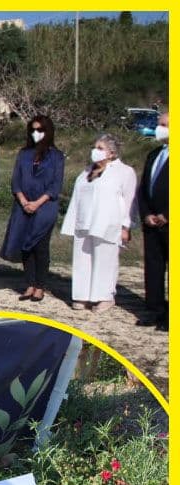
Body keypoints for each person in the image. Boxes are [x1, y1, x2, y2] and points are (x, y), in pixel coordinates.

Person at [60, 133, 137, 312]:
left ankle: (104, 297)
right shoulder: (87, 171)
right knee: (82, 260)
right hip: (84, 223)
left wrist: (126, 226)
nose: (95, 151)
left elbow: (129, 201)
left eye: (100, 148)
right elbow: (77, 196)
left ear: (112, 153)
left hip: (108, 224)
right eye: (94, 148)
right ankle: (82, 296)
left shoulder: (124, 172)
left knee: (105, 260)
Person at [0, 115, 65, 302]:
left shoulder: (56, 156)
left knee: (40, 246)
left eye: (40, 130)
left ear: (48, 132)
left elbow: (55, 185)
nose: (36, 133)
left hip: (45, 206)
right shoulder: (24, 154)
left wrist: (37, 203)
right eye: (33, 130)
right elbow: (16, 180)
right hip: (23, 205)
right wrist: (23, 200)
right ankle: (29, 283)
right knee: (25, 245)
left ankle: (40, 286)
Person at [136, 111, 168, 330]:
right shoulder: (154, 154)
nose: (159, 128)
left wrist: (167, 214)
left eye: (164, 125)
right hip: (151, 222)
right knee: (154, 267)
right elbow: (144, 188)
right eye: (159, 124)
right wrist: (146, 213)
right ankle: (155, 309)